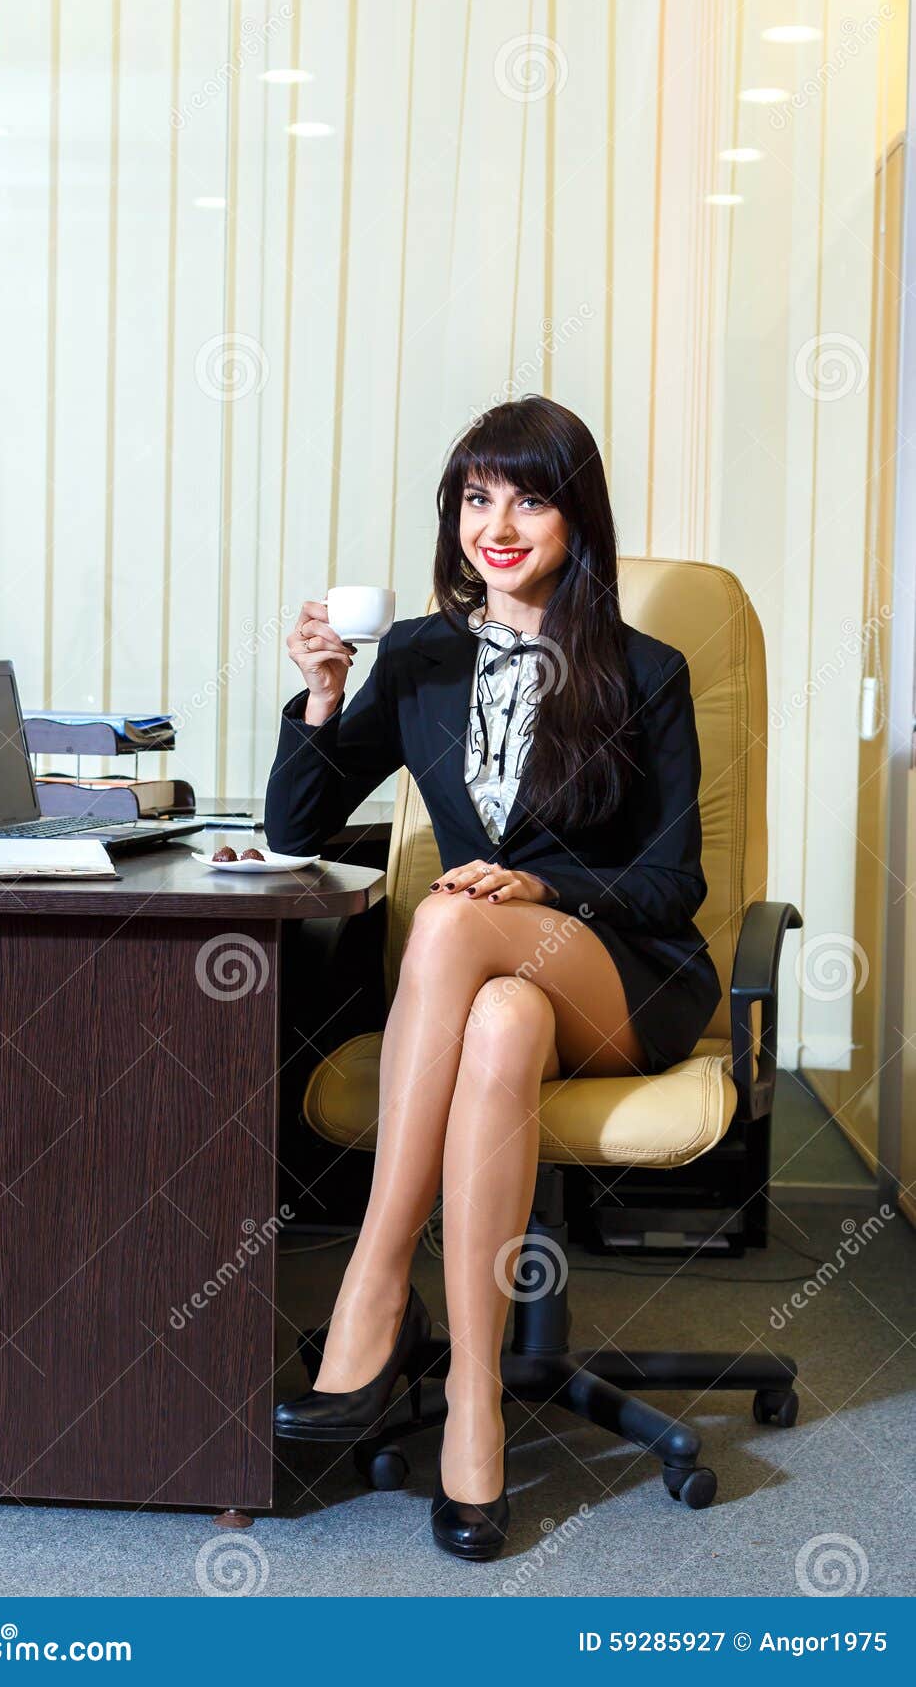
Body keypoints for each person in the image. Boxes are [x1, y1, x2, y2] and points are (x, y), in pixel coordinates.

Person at [264, 394, 721, 1560]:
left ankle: (370, 1289)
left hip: (625, 975)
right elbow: (291, 828)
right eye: (476, 498)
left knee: (460, 918)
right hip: (501, 997)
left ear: (579, 515)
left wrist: (547, 892)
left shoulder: (647, 671)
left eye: (528, 496)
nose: (497, 523)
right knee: (503, 1016)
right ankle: (475, 1403)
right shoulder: (419, 657)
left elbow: (676, 886)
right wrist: (322, 697)